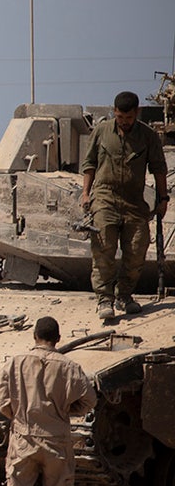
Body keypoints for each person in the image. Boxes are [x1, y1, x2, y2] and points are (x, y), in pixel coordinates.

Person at [0, 316, 96, 486]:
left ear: (34, 336)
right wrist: (66, 412)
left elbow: (0, 398)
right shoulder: (69, 366)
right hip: (57, 441)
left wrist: (18, 415)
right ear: (58, 339)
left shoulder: (16, 362)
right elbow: (90, 400)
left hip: (23, 438)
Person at [80, 90, 168, 320]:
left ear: (136, 113)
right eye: (120, 117)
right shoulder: (101, 132)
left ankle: (124, 295)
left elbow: (159, 168)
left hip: (134, 200)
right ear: (114, 112)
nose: (124, 122)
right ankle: (104, 299)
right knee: (103, 250)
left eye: (129, 118)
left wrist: (163, 199)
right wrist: (85, 194)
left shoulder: (147, 136)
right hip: (104, 197)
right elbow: (89, 164)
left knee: (137, 250)